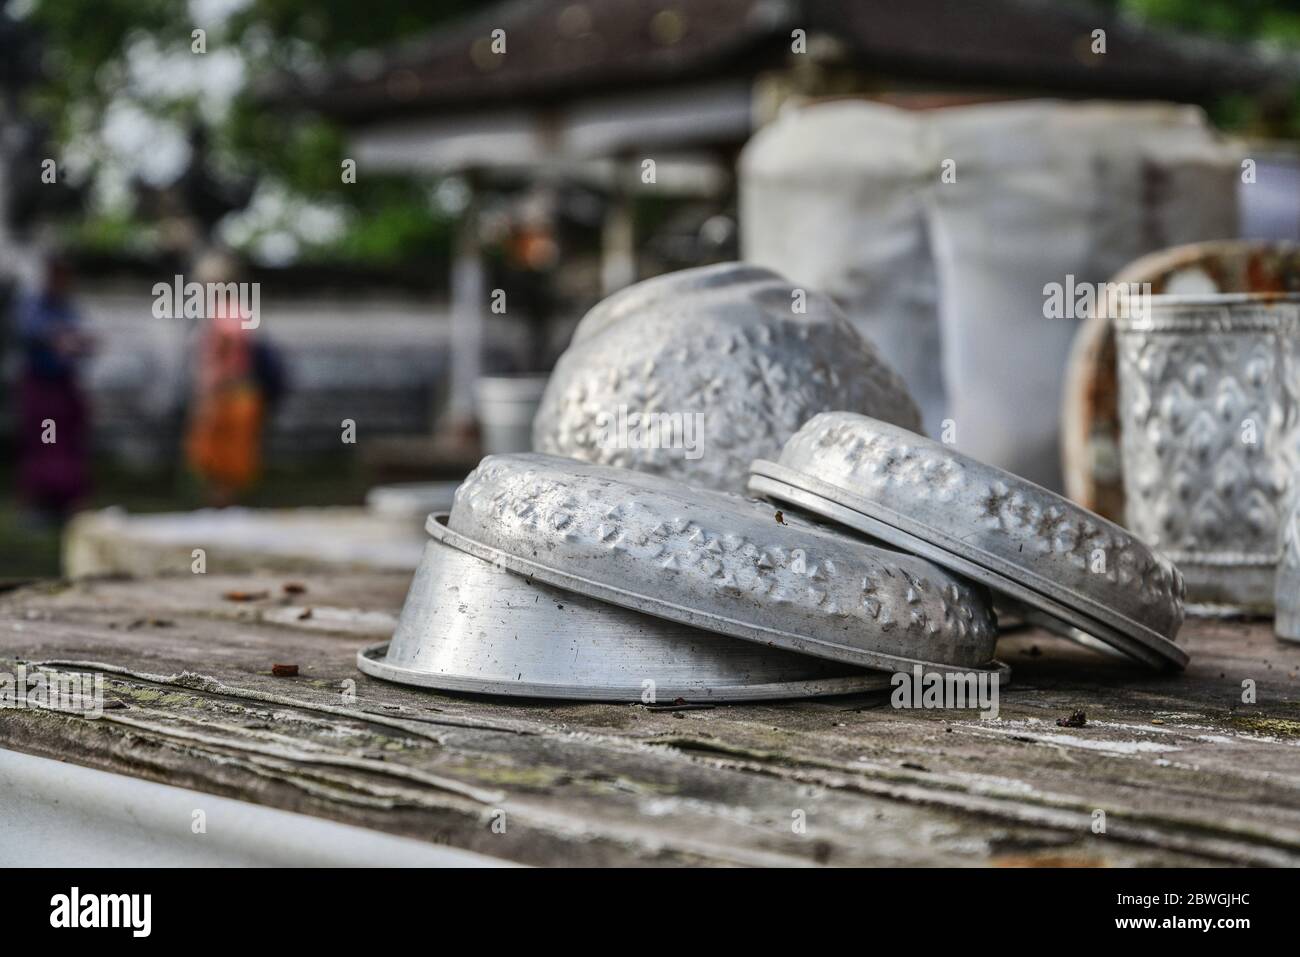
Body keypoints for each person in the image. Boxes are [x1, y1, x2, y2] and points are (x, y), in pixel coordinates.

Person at [184, 251, 283, 506]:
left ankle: (221, 512)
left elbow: (223, 360)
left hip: (228, 397)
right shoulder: (239, 312)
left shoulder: (224, 315)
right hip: (241, 395)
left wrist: (206, 398)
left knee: (221, 464)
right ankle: (225, 510)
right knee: (226, 464)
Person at [14, 255, 93, 524]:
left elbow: (78, 337)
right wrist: (57, 338)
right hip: (42, 387)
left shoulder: (67, 306)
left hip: (63, 386)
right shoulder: (34, 305)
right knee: (47, 442)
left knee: (68, 443)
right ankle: (40, 503)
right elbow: (32, 332)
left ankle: (65, 502)